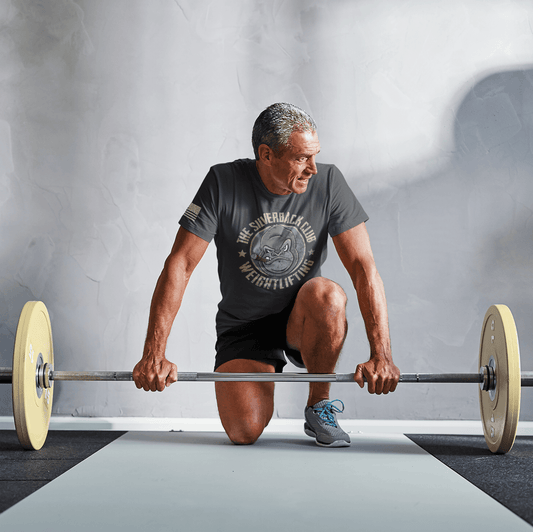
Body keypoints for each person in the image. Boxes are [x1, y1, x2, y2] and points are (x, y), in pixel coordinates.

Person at [133, 103, 400, 447]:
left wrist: (382, 355)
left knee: (328, 295)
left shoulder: (330, 182)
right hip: (244, 327)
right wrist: (154, 352)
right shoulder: (223, 182)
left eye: (314, 156)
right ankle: (260, 372)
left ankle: (319, 404)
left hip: (303, 320)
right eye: (302, 158)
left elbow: (364, 270)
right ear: (267, 154)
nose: (312, 169)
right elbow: (180, 264)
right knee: (244, 433)